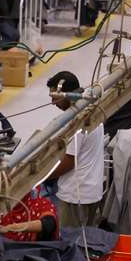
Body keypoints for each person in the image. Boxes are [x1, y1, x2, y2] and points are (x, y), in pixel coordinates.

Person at [45, 71, 105, 227]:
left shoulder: (76, 121)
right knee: (87, 238)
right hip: (92, 191)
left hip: (76, 195)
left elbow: (69, 161)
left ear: (66, 94)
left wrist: (42, 176)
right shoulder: (91, 109)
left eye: (55, 97)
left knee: (70, 239)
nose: (52, 103)